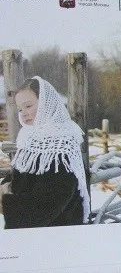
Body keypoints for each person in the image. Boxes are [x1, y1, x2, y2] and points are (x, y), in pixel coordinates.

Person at [0, 76, 89, 228]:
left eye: (28, 106)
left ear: (46, 105)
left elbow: (50, 201)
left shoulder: (61, 143)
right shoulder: (29, 136)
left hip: (56, 230)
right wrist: (5, 186)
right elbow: (21, 176)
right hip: (32, 227)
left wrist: (7, 200)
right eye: (20, 109)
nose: (23, 113)